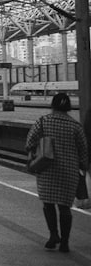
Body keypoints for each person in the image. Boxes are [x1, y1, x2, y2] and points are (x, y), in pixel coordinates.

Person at [25, 93, 89, 253]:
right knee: (64, 207)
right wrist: (82, 167)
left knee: (48, 203)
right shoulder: (76, 126)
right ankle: (65, 242)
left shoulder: (43, 121)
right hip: (69, 171)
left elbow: (30, 142)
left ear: (52, 105)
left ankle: (53, 235)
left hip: (47, 169)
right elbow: (83, 152)